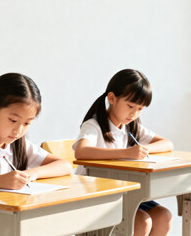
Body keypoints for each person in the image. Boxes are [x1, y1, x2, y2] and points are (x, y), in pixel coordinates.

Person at [73, 69, 173, 236]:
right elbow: (81, 152)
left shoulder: (132, 127)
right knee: (142, 221)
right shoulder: (94, 125)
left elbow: (167, 143)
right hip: (96, 195)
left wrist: (144, 149)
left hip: (123, 193)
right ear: (112, 99)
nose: (134, 114)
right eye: (130, 106)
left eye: (140, 109)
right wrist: (127, 153)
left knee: (164, 216)